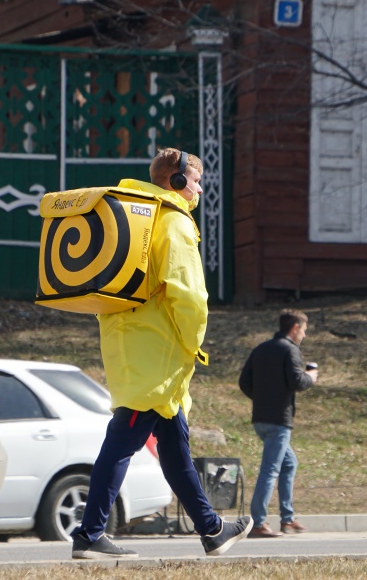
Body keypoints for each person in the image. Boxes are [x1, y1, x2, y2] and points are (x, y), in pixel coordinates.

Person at [70, 148, 252, 560]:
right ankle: (90, 533)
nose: (201, 188)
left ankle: (212, 530)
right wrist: (195, 342)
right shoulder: (173, 222)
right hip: (157, 356)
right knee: (122, 441)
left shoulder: (138, 217)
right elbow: (188, 294)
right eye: (196, 180)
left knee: (173, 448)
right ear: (175, 182)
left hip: (131, 345)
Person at [238, 309, 318, 538]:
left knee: (289, 463)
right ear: (294, 328)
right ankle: (258, 523)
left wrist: (262, 398)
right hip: (279, 421)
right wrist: (310, 377)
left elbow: (244, 382)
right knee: (270, 470)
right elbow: (297, 382)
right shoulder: (290, 350)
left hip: (260, 420)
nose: (303, 335)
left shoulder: (261, 349)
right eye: (303, 330)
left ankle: (288, 519)